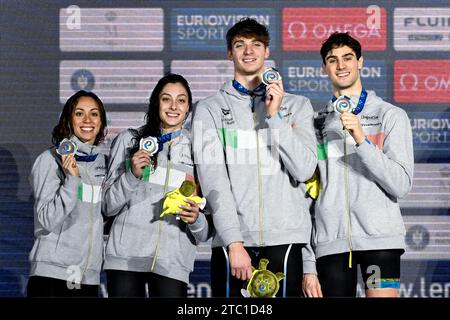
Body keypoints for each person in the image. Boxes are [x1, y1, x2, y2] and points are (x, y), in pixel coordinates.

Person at [192, 18, 317, 297]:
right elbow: (214, 180)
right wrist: (234, 242)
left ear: (267, 51)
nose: (248, 51)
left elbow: (305, 170)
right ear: (229, 53)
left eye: (256, 44)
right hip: (234, 244)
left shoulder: (297, 106)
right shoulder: (209, 109)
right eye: (240, 45)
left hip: (285, 241)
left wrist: (275, 117)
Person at [302, 32, 414, 297]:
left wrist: (362, 141)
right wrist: (308, 261)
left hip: (380, 240)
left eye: (348, 58)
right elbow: (305, 194)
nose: (341, 66)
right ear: (324, 67)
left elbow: (401, 183)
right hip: (331, 243)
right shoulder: (315, 123)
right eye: (333, 60)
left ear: (360, 62)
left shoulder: (390, 115)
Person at [102, 73, 210, 297]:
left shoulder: (200, 150)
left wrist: (196, 219)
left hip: (172, 263)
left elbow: (205, 232)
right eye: (166, 99)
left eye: (181, 100)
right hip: (125, 260)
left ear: (188, 107)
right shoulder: (129, 141)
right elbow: (107, 207)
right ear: (155, 102)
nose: (173, 106)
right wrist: (132, 175)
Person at [27, 90, 108, 297]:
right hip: (53, 275)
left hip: (87, 275)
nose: (88, 120)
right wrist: (72, 179)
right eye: (79, 113)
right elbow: (46, 219)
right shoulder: (50, 159)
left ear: (101, 122)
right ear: (69, 120)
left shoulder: (102, 164)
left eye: (94, 113)